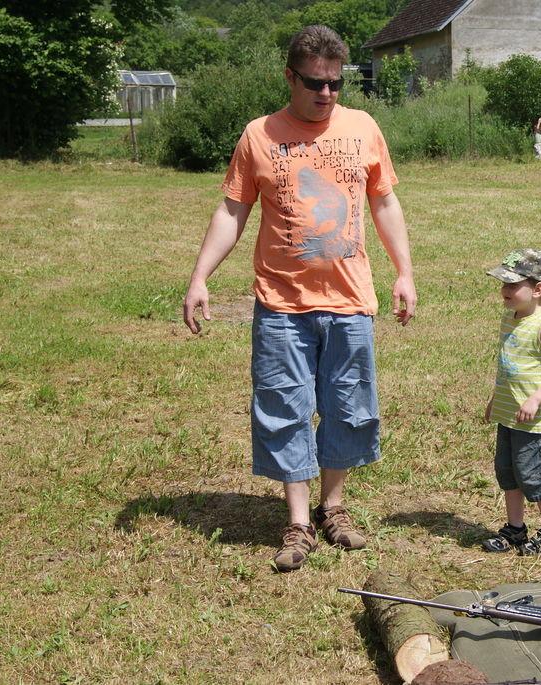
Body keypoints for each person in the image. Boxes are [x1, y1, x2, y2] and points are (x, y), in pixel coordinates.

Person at [182, 25, 416, 572]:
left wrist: (404, 272)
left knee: (348, 407)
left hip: (350, 300)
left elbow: (384, 203)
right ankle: (297, 521)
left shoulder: (363, 128)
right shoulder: (259, 135)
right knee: (284, 407)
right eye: (314, 82)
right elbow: (232, 211)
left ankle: (333, 507)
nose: (326, 93)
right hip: (281, 304)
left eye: (336, 83)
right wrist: (199, 277)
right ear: (290, 77)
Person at [481, 249, 541, 556]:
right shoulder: (510, 318)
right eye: (503, 284)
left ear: (537, 289)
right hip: (509, 416)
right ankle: (515, 528)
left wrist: (536, 399)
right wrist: (496, 400)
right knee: (509, 475)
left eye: (512, 284)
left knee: (537, 477)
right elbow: (508, 369)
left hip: (535, 424)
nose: (504, 290)